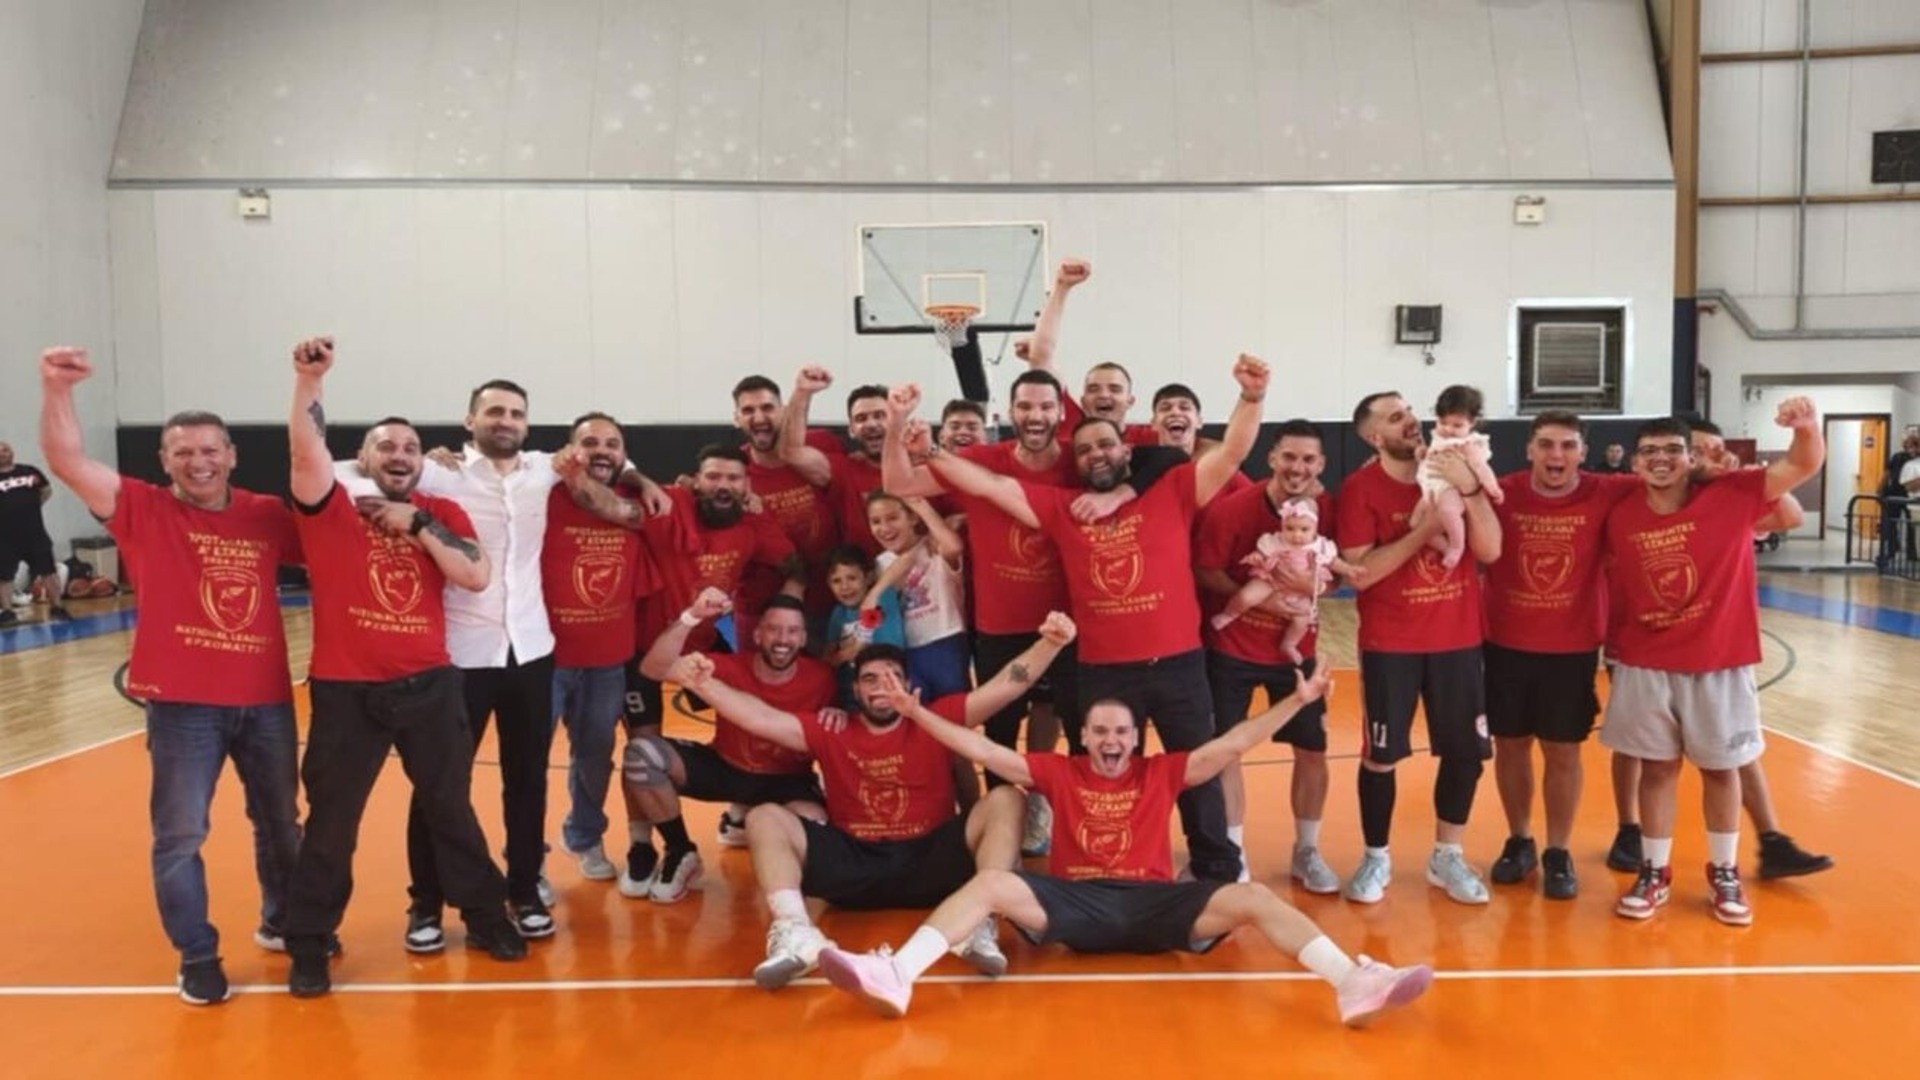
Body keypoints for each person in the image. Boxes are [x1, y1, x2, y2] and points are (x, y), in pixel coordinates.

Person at [816, 667, 1434, 1028]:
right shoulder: (1058, 772)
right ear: (1084, 738)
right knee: (991, 883)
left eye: (1121, 732)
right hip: (1076, 903)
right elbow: (980, 749)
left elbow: (1231, 745)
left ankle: (1350, 982)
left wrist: (1295, 701)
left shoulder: (1160, 772)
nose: (1111, 740)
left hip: (1154, 904)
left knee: (1250, 896)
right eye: (1100, 732)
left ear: (1136, 739)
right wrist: (913, 712)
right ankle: (897, 975)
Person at [909, 354, 1272, 882]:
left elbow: (1233, 450)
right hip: (1104, 671)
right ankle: (1108, 867)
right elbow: (990, 486)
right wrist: (932, 451)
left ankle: (1215, 869)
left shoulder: (1172, 489)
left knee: (1196, 767)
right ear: (1074, 462)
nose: (1096, 454)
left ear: (1127, 450)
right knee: (1103, 775)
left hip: (1178, 665)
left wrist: (1252, 396)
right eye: (1083, 450)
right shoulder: (1062, 508)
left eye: (1105, 445)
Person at [37, 346, 303, 1006]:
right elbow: (67, 461)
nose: (198, 461)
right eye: (183, 452)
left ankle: (284, 922)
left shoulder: (266, 514)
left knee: (281, 824)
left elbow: (336, 525)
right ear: (163, 460)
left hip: (267, 701)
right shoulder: (141, 508)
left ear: (232, 455)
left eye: (210, 450)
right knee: (181, 835)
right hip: (183, 706)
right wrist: (56, 388)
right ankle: (198, 955)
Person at [279, 337, 525, 997]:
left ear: (422, 461)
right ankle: (309, 940)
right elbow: (304, 451)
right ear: (362, 459)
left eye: (411, 448)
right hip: (347, 691)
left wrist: (415, 523)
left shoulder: (439, 512)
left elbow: (474, 574)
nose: (400, 455)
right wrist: (310, 382)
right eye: (386, 446)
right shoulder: (327, 505)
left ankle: (484, 916)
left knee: (451, 810)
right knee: (332, 823)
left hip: (429, 686)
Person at [665, 616, 1077, 989]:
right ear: (855, 689)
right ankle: (795, 931)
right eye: (870, 679)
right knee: (764, 817)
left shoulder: (936, 718)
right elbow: (761, 718)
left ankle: (976, 921)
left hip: (930, 861)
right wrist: (704, 685)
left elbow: (1007, 685)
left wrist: (1051, 644)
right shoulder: (833, 729)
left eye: (892, 677)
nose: (882, 687)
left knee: (1006, 798)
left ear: (909, 686)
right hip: (856, 863)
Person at [407, 378, 661, 946]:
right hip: (462, 656)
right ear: (469, 420)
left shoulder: (544, 470)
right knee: (441, 783)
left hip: (530, 653)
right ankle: (425, 903)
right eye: (494, 411)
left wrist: (640, 477)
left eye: (516, 413)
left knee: (526, 783)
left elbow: (606, 457)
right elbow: (363, 473)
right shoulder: (440, 473)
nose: (506, 420)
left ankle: (523, 888)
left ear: (527, 423)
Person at [1603, 402, 1825, 925]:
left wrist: (1805, 426)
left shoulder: (1732, 494)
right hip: (1646, 661)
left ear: (1690, 459)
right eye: (1649, 451)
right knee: (1657, 769)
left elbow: (1802, 464)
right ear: (1634, 462)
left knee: (1722, 770)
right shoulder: (1619, 506)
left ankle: (1724, 871)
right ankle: (1653, 871)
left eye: (1672, 450)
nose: (1660, 459)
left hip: (1718, 661)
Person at [1338, 391, 1501, 906]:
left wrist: (1470, 488)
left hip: (1458, 639)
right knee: (1381, 757)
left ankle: (1447, 856)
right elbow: (1360, 573)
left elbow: (1491, 549)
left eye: (1409, 411)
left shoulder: (1454, 465)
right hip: (1391, 643)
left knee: (1465, 753)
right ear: (1374, 437)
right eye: (1395, 417)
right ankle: (1376, 857)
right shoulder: (1360, 488)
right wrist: (1425, 530)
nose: (1410, 421)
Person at [626, 444, 806, 885]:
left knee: (747, 718)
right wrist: (639, 478)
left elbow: (794, 564)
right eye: (713, 477)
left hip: (703, 648)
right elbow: (612, 485)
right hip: (645, 649)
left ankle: (740, 811)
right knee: (642, 746)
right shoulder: (669, 503)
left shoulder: (751, 524)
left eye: (732, 478)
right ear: (696, 480)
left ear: (746, 485)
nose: (722, 485)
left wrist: (788, 607)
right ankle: (644, 843)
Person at [1482, 411, 1640, 899]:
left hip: (1572, 648)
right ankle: (1519, 839)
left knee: (1563, 750)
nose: (1557, 455)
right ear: (1529, 449)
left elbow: (1675, 481)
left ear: (1583, 453)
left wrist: (1711, 463)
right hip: (1504, 642)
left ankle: (1558, 850)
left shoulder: (1608, 490)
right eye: (1547, 445)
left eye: (1568, 446)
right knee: (1510, 745)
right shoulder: (1500, 493)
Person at [1194, 420, 1342, 890]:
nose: (1298, 467)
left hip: (1296, 654)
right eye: (1289, 457)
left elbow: (1338, 574)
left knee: (1313, 750)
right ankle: (1234, 853)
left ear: (1321, 464)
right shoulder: (1234, 509)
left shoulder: (1328, 512)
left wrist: (1312, 586)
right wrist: (1263, 599)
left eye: (1308, 459)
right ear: (1272, 458)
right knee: (1226, 751)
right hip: (1232, 650)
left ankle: (1307, 851)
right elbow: (1206, 570)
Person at [628, 590, 837, 901]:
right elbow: (652, 669)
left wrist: (841, 711)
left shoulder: (823, 678)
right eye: (773, 629)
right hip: (727, 767)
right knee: (641, 754)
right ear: (757, 634)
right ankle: (680, 849)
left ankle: (744, 825)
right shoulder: (729, 666)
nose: (783, 639)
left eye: (792, 631)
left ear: (804, 638)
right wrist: (691, 617)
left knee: (815, 827)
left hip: (787, 780)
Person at [543, 412, 657, 883]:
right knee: (529, 762)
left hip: (608, 661)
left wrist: (639, 476)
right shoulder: (542, 492)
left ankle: (584, 836)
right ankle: (528, 860)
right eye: (590, 442)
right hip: (544, 661)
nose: (602, 450)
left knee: (594, 757)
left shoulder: (638, 498)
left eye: (612, 443)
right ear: (571, 449)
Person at [1208, 497, 1362, 662]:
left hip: (1301, 590)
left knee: (1303, 617)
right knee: (1246, 596)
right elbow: (1262, 553)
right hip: (1271, 580)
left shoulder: (1321, 546)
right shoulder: (1276, 541)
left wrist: (1348, 569)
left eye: (1304, 529)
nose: (1296, 535)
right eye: (1290, 528)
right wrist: (1256, 557)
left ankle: (1289, 644)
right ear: (1282, 525)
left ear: (1315, 527)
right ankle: (1230, 614)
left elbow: (1333, 562)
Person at [777, 367, 891, 555]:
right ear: (851, 429)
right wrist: (802, 392)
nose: (871, 424)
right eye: (861, 418)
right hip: (862, 572)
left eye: (880, 415)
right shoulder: (843, 470)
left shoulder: (922, 465)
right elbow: (790, 451)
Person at [866, 492, 970, 698]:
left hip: (945, 639)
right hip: (903, 650)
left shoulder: (935, 547)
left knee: (951, 709)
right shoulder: (879, 564)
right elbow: (872, 614)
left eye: (892, 518)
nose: (884, 528)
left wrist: (923, 507)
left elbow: (954, 547)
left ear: (913, 517)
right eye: (876, 521)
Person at [1411, 385, 1503, 571]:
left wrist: (1493, 488)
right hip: (1431, 488)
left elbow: (1482, 468)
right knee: (1415, 523)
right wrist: (1423, 453)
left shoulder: (1469, 445)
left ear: (1472, 422)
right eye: (1442, 422)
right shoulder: (1439, 437)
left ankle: (1456, 546)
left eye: (1457, 425)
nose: (1448, 429)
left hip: (1451, 489)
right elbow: (1434, 454)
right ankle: (1446, 547)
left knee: (1448, 512)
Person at [822, 543, 906, 706]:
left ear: (868, 577)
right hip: (849, 690)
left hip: (886, 683)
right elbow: (828, 658)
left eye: (852, 578)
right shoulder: (838, 613)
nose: (845, 587)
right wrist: (845, 654)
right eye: (836, 581)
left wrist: (846, 653)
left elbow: (863, 649)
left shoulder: (883, 597)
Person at [0, 439, 68, 625]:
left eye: (5, 449)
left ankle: (57, 607)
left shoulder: (29, 471)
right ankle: (7, 612)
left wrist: (30, 507)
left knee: (48, 572)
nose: (2, 453)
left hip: (34, 533)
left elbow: (46, 490)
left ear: (11, 452)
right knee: (4, 576)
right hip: (5, 537)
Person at [1879, 432, 1919, 567]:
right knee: (1891, 523)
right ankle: (1892, 550)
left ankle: (1912, 552)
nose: (1910, 446)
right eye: (1908, 443)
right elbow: (1887, 473)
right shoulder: (1897, 457)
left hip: (1911, 496)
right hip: (1895, 494)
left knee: (1912, 525)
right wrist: (1880, 489)